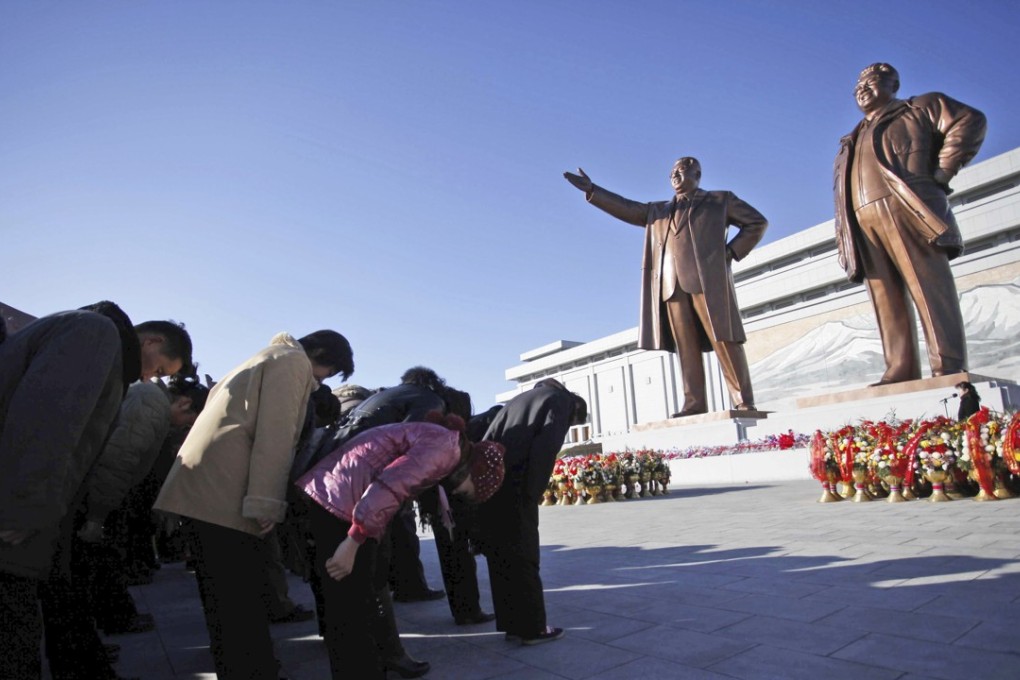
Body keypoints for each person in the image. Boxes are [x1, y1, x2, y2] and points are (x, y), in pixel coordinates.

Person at [0, 303, 194, 679]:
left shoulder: (90, 336)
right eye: (156, 368)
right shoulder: (95, 334)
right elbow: (46, 424)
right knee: (14, 634)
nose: (149, 378)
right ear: (150, 340)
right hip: (14, 520)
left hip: (23, 509)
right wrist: (23, 510)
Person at [154, 330, 353, 680]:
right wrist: (267, 502)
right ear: (319, 353)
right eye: (325, 372)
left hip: (205, 488)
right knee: (239, 600)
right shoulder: (292, 362)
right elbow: (276, 433)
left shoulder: (262, 358)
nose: (320, 381)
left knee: (222, 599)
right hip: (226, 490)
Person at [295, 414, 505, 679]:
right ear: (473, 472)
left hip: (341, 496)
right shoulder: (444, 449)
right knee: (350, 605)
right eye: (467, 491)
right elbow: (389, 487)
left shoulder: (445, 444)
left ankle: (371, 665)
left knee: (359, 597)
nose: (457, 493)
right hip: (338, 505)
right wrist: (353, 541)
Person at [564, 157, 767, 415]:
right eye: (672, 172)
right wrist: (593, 191)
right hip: (670, 286)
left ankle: (742, 400)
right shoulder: (658, 211)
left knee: (725, 339)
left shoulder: (720, 200)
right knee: (686, 346)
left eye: (681, 170)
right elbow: (627, 208)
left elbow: (757, 223)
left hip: (707, 282)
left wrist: (729, 253)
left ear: (697, 174)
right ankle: (694, 402)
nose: (675, 175)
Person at [833, 63, 987, 385]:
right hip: (863, 221)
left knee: (930, 287)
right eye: (857, 86)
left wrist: (942, 172)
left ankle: (948, 366)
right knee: (883, 295)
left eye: (871, 82)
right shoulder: (852, 137)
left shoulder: (919, 108)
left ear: (893, 83)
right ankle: (899, 367)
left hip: (907, 208)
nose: (862, 89)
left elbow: (969, 121)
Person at [477, 380, 587, 645]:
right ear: (575, 410)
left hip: (494, 484)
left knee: (501, 557)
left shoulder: (520, 400)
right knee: (524, 556)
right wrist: (532, 494)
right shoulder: (560, 402)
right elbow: (545, 451)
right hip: (517, 485)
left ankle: (512, 626)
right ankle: (532, 628)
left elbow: (487, 437)